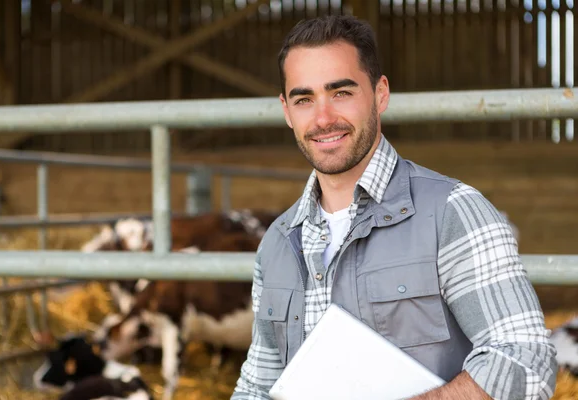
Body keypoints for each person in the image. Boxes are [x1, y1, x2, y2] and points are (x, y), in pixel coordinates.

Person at [231, 15, 557, 400]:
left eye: (341, 93)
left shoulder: (454, 212)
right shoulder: (277, 243)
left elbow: (525, 360)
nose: (322, 118)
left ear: (380, 93)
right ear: (286, 111)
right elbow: (258, 385)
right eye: (304, 99)